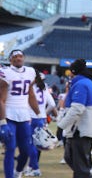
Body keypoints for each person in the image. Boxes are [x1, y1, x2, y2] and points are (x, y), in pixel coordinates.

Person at [0, 49, 41, 178]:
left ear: (23, 58)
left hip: (24, 116)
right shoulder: (6, 73)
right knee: (10, 149)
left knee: (26, 150)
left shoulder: (30, 72)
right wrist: (2, 122)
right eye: (15, 56)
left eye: (20, 56)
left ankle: (18, 172)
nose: (18, 58)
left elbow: (31, 94)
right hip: (9, 115)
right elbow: (1, 98)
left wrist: (38, 115)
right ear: (10, 59)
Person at [56, 58, 92, 178]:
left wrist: (61, 126)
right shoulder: (87, 82)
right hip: (84, 129)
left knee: (80, 167)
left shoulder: (80, 84)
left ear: (73, 71)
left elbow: (77, 109)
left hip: (81, 130)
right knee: (72, 159)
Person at [24, 71, 58, 177]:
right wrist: (44, 114)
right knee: (38, 144)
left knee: (30, 144)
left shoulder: (29, 88)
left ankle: (35, 168)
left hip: (30, 117)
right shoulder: (44, 89)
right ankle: (31, 167)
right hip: (41, 118)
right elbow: (52, 104)